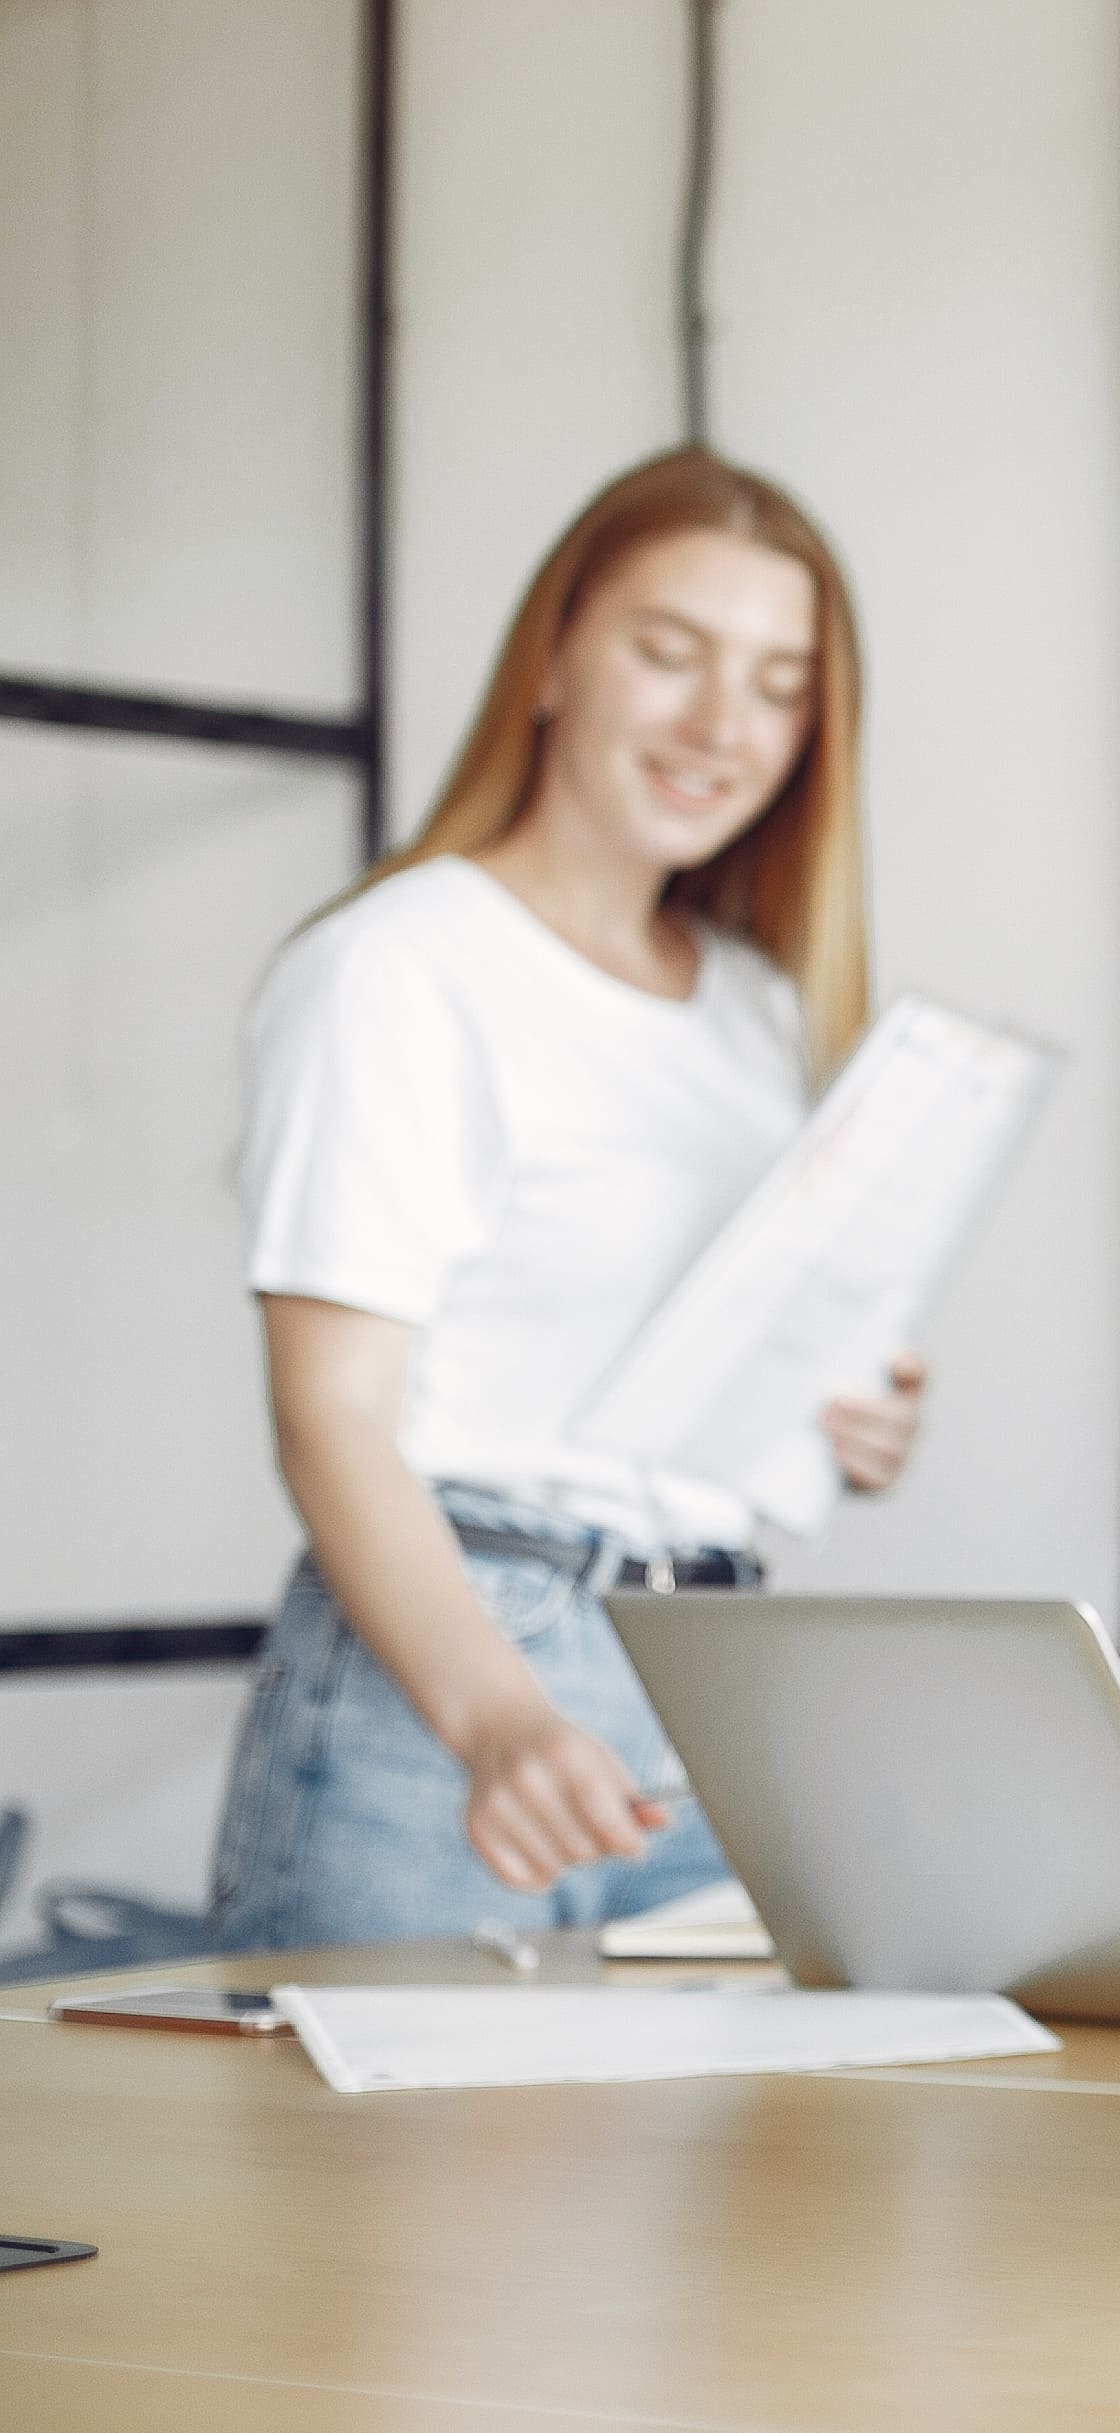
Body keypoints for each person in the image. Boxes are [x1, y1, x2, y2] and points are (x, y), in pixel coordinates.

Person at [212, 448, 927, 1954]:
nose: (720, 727)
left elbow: (661, 1373)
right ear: (551, 662)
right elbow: (332, 1415)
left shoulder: (752, 1008)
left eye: (780, 685)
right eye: (669, 655)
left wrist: (843, 1413)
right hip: (461, 1684)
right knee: (399, 2196)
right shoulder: (399, 968)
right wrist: (496, 1721)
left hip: (711, 1693)